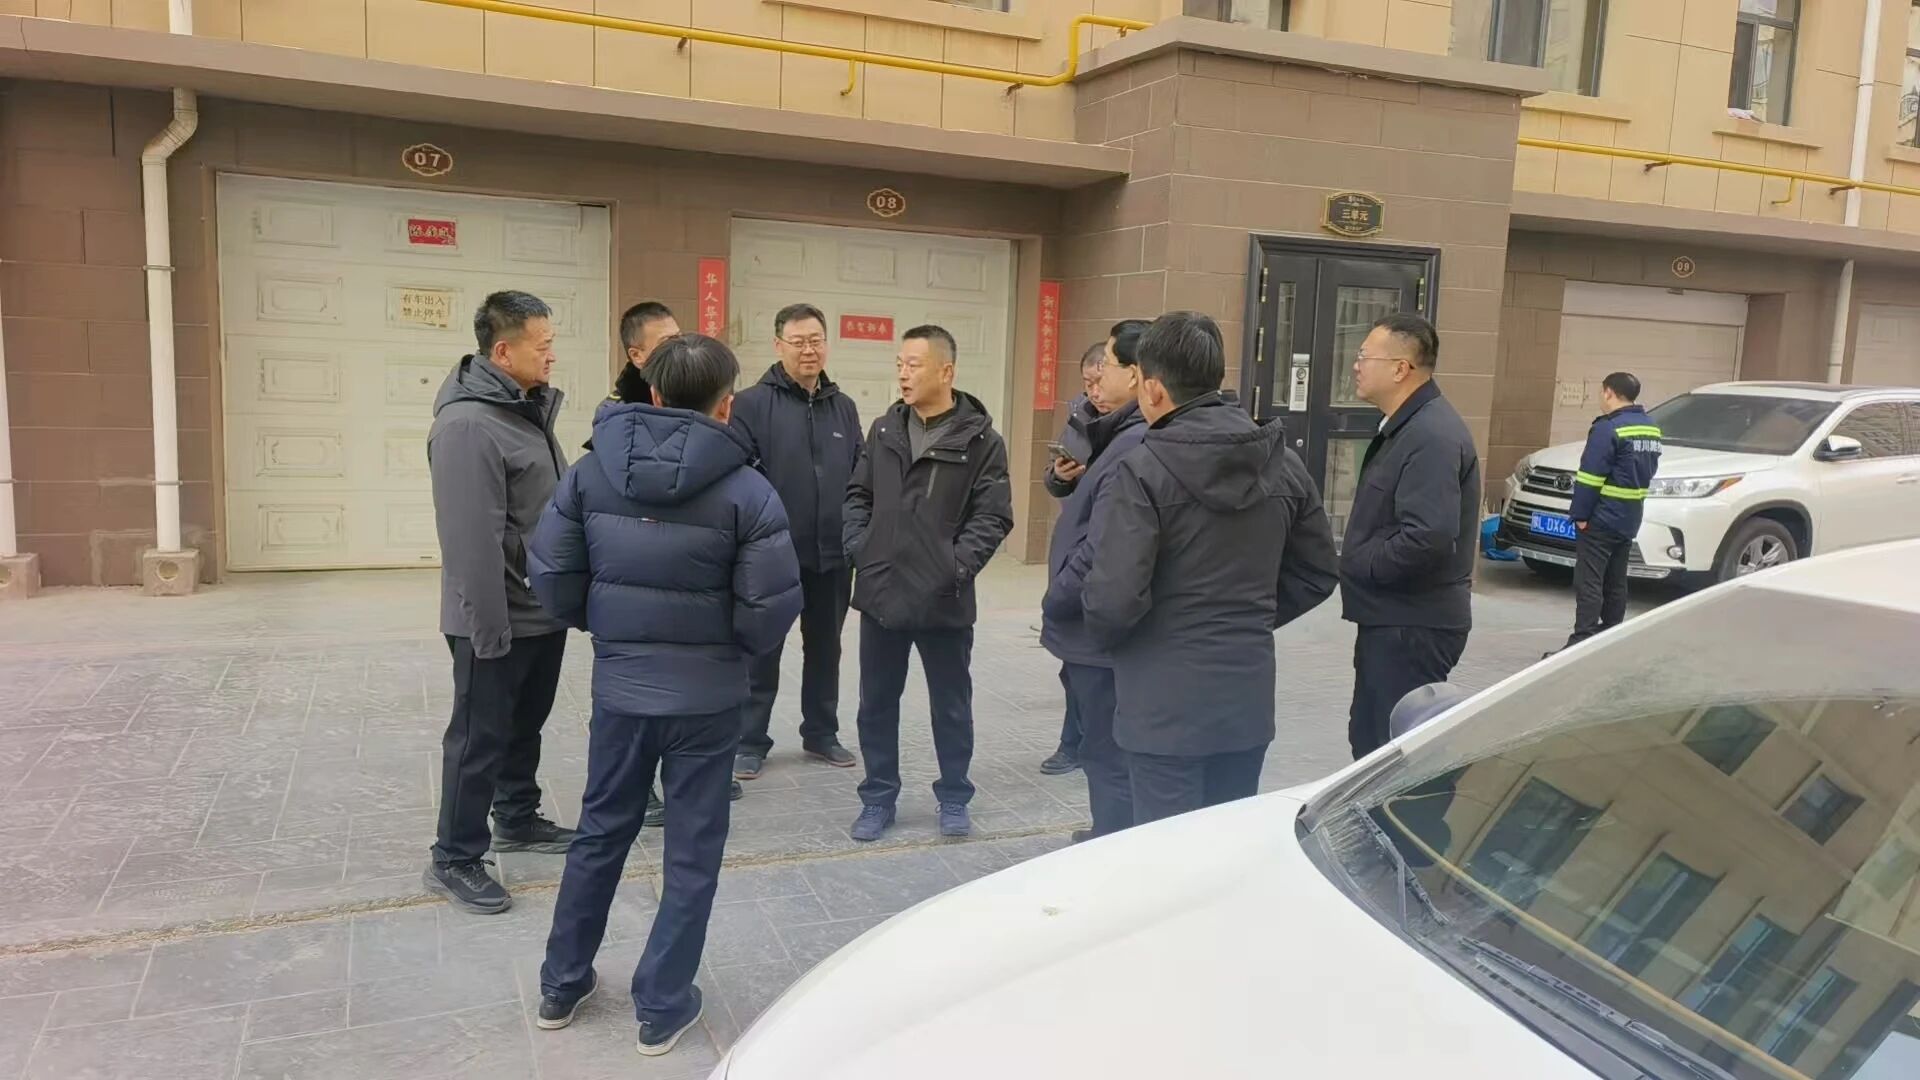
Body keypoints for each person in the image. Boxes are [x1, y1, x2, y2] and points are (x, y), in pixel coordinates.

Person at [528, 333, 803, 1056]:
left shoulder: (589, 473)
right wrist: (727, 650)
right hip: (708, 703)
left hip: (622, 692)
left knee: (600, 832)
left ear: (652, 394)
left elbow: (550, 576)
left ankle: (561, 984)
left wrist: (612, 628)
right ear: (726, 404)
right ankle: (662, 1004)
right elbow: (770, 607)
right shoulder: (749, 489)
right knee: (691, 851)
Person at [1082, 312, 1338, 825]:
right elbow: (1317, 571)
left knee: (1167, 852)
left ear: (1152, 388)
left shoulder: (1142, 470)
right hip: (1243, 700)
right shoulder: (1283, 463)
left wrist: (1128, 641)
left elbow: (1113, 599)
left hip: (1161, 703)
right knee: (1225, 845)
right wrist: (1249, 617)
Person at [423, 291, 579, 915]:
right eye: (543, 346)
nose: (551, 355)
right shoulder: (468, 426)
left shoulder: (524, 411)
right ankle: (455, 856)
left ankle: (516, 816)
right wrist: (489, 631)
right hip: (493, 617)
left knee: (523, 725)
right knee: (478, 737)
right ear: (503, 351)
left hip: (538, 610)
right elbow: (471, 543)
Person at [842, 325, 1013, 842]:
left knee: (951, 705)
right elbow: (857, 495)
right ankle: (878, 798)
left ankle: (955, 795)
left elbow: (993, 516)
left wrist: (953, 567)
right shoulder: (884, 429)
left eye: (914, 364)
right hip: (882, 592)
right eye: (899, 364)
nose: (903, 373)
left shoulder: (981, 441)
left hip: (944, 598)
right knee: (876, 704)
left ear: (947, 371)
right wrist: (862, 547)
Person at [581, 302, 716, 824]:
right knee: (630, 689)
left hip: (684, 569)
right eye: (665, 343)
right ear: (637, 357)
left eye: (680, 337)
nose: (678, 349)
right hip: (633, 570)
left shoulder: (693, 398)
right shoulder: (617, 417)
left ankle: (686, 774)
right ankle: (637, 790)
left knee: (685, 679)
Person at [1340, 312, 1481, 761]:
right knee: (1371, 742)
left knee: (1395, 758)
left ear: (1401, 369)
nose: (1356, 365)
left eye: (1365, 356)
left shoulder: (1430, 435)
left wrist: (1359, 562)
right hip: (1394, 619)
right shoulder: (1407, 426)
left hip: (1412, 627)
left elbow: (1428, 537)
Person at [730, 303, 863, 780]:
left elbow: (860, 475)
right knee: (762, 650)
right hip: (772, 557)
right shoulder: (750, 405)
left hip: (832, 555)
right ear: (778, 345)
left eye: (816, 340)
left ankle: (821, 732)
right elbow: (738, 478)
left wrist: (855, 534)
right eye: (799, 341)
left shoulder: (843, 407)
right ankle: (749, 740)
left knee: (826, 647)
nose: (809, 350)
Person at [1041, 320, 1150, 840]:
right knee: (1102, 748)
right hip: (1088, 621)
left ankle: (1112, 843)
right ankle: (1108, 832)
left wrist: (1059, 596)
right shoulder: (1101, 424)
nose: (1097, 379)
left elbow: (1102, 545)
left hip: (1098, 625)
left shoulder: (1135, 443)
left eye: (1105, 366)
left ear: (1137, 375)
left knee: (1108, 752)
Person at [1037, 341, 1111, 777]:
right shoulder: (1080, 416)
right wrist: (1059, 476)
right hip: (1074, 552)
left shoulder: (1135, 427)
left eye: (1100, 381)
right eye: (1087, 383)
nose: (1094, 392)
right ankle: (1073, 743)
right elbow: (1054, 482)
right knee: (1074, 663)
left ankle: (1084, 744)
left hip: (1105, 555)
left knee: (1093, 665)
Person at [1561, 371, 1661, 650]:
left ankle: (1582, 640)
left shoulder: (1608, 428)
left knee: (1589, 581)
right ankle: (1611, 636)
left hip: (1601, 518)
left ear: (1608, 392)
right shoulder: (1650, 428)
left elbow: (1590, 477)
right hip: (1629, 517)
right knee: (1616, 580)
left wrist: (1580, 516)